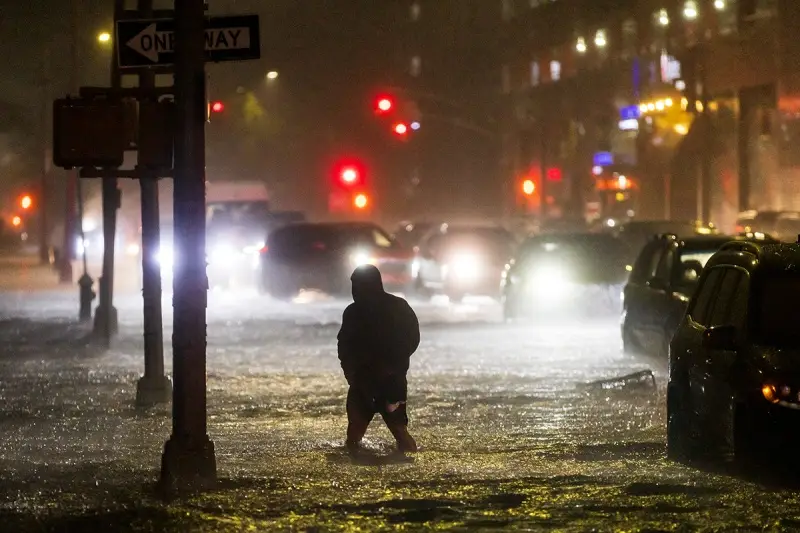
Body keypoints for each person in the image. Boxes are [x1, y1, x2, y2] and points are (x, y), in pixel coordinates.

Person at [337, 264, 420, 454]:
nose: (354, 290)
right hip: (384, 381)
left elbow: (344, 347)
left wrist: (353, 373)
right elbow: (413, 339)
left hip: (371, 381)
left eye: (356, 285)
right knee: (399, 433)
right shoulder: (398, 307)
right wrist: (396, 366)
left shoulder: (354, 312)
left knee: (354, 439)